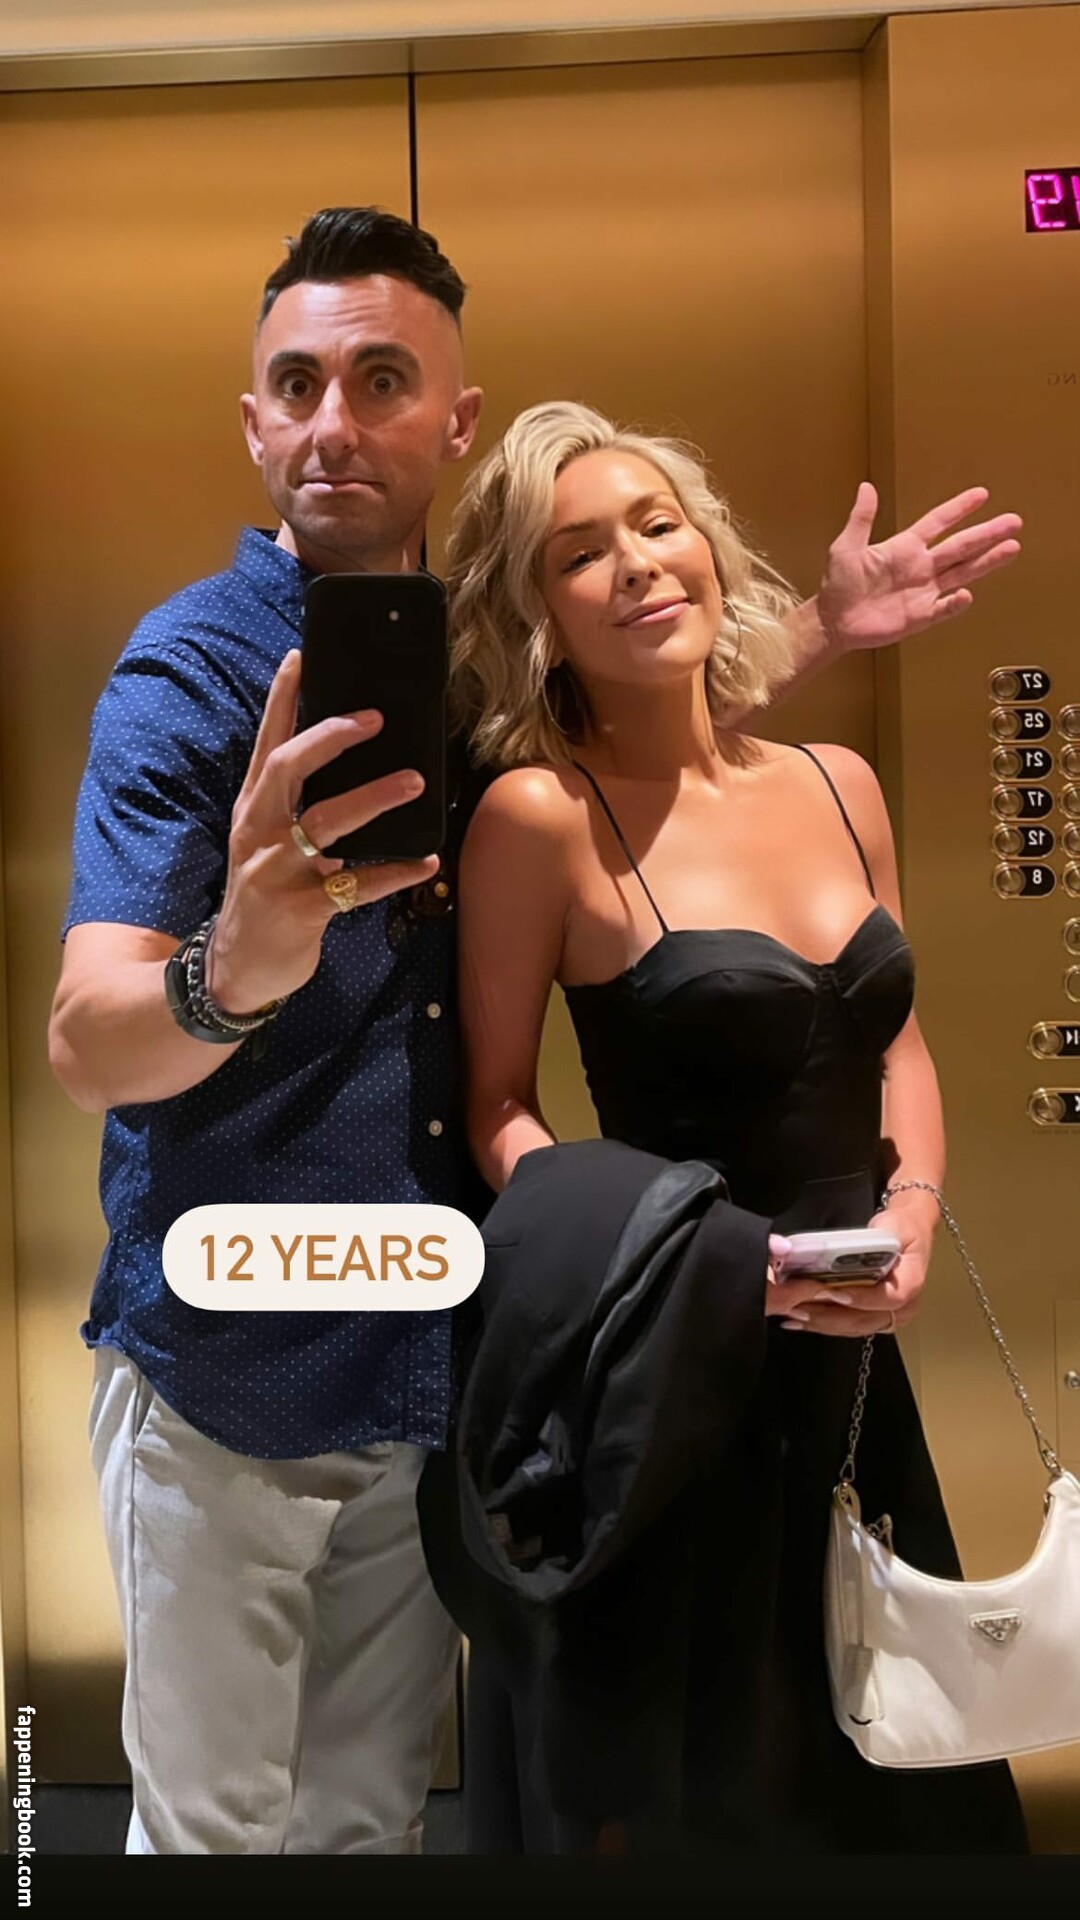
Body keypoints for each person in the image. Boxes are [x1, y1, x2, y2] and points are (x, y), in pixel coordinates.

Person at [46, 205, 1021, 1856]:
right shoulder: (188, 680)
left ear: (456, 421)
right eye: (298, 385)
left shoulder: (462, 669)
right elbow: (91, 1041)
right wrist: (239, 964)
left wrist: (816, 629)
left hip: (431, 1359)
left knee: (367, 1820)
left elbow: (640, 754)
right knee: (214, 1830)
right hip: (234, 1363)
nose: (335, 423)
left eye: (382, 380)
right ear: (253, 419)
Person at [421, 400, 1028, 1853]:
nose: (637, 563)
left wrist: (913, 1222)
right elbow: (498, 1106)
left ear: (709, 548)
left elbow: (896, 1042)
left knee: (880, 1765)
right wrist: (683, 1261)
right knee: (708, 1781)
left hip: (854, 1355)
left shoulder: (839, 783)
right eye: (579, 553)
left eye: (657, 524)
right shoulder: (539, 817)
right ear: (539, 617)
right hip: (671, 1361)